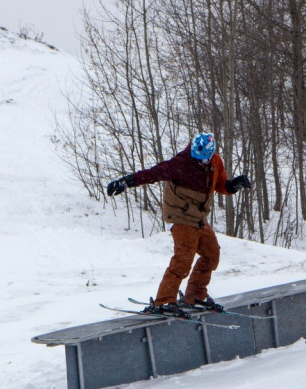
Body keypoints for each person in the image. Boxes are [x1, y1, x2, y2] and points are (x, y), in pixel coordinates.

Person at [106, 133, 251, 316]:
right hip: (180, 215)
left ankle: (196, 295)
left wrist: (233, 186)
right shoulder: (181, 163)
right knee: (183, 259)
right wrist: (126, 182)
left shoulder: (215, 162)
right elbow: (153, 173)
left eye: (204, 159)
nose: (201, 162)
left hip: (198, 216)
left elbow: (220, 184)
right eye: (197, 158)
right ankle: (163, 301)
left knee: (211, 254)